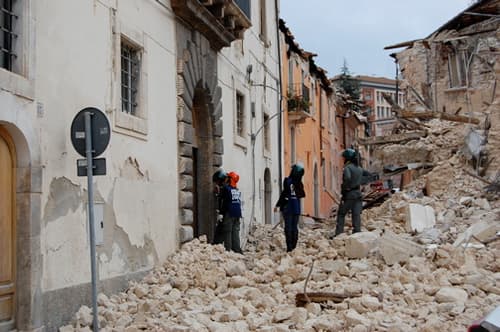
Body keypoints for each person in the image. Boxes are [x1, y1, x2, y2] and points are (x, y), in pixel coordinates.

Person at [335, 148, 369, 236]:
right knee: (356, 214)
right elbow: (369, 175)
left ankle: (339, 234)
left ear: (347, 158)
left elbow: (347, 178)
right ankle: (357, 233)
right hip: (358, 194)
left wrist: (344, 189)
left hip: (350, 194)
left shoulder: (347, 168)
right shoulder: (359, 168)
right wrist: (361, 181)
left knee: (341, 213)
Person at [274, 163, 305, 252]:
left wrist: (278, 205)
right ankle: (294, 246)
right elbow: (302, 194)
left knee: (288, 227)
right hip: (296, 209)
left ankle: (289, 247)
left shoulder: (287, 181)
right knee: (294, 227)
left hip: (288, 208)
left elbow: (284, 194)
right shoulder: (300, 184)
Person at [218, 171, 243, 253]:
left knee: (227, 231)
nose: (226, 179)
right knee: (235, 232)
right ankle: (237, 249)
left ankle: (228, 250)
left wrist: (221, 213)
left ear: (230, 179)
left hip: (230, 212)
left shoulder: (227, 189)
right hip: (237, 213)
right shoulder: (236, 189)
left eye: (227, 178)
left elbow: (225, 202)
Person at [212, 168, 227, 245]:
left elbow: (224, 201)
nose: (216, 184)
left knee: (220, 230)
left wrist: (221, 213)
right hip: (224, 213)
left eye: (217, 182)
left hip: (225, 214)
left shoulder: (225, 189)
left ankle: (217, 244)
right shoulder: (225, 188)